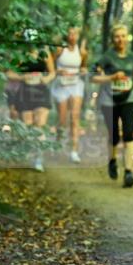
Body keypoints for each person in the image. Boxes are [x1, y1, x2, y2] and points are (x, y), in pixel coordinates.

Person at [93, 25, 133, 188]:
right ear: (112, 39)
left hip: (129, 99)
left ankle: (129, 172)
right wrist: (112, 77)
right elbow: (94, 77)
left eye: (123, 36)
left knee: (128, 134)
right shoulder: (107, 57)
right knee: (113, 135)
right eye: (117, 36)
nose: (120, 39)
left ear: (127, 38)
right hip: (109, 100)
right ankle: (112, 160)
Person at [6, 39, 55, 172]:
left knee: (39, 124)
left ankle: (39, 159)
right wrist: (22, 77)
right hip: (24, 91)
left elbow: (52, 72)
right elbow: (9, 73)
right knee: (27, 124)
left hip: (41, 91)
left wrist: (46, 79)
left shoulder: (44, 51)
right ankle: (29, 152)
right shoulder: (19, 53)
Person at [51, 26, 88, 163]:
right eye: (70, 34)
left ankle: (74, 151)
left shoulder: (82, 52)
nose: (72, 36)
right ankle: (57, 145)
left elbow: (84, 66)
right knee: (62, 120)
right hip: (61, 86)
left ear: (78, 36)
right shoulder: (60, 50)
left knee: (74, 118)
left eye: (74, 34)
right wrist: (58, 71)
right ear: (66, 35)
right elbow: (50, 67)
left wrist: (83, 70)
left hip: (75, 86)